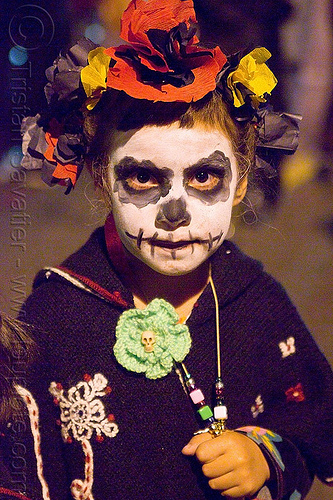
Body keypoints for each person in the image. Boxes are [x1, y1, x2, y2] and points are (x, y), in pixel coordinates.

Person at [2, 0, 332, 499]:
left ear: (241, 181)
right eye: (141, 176)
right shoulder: (54, 319)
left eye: (204, 175)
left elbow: (313, 429)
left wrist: (263, 455)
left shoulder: (259, 308)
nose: (173, 214)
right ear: (100, 178)